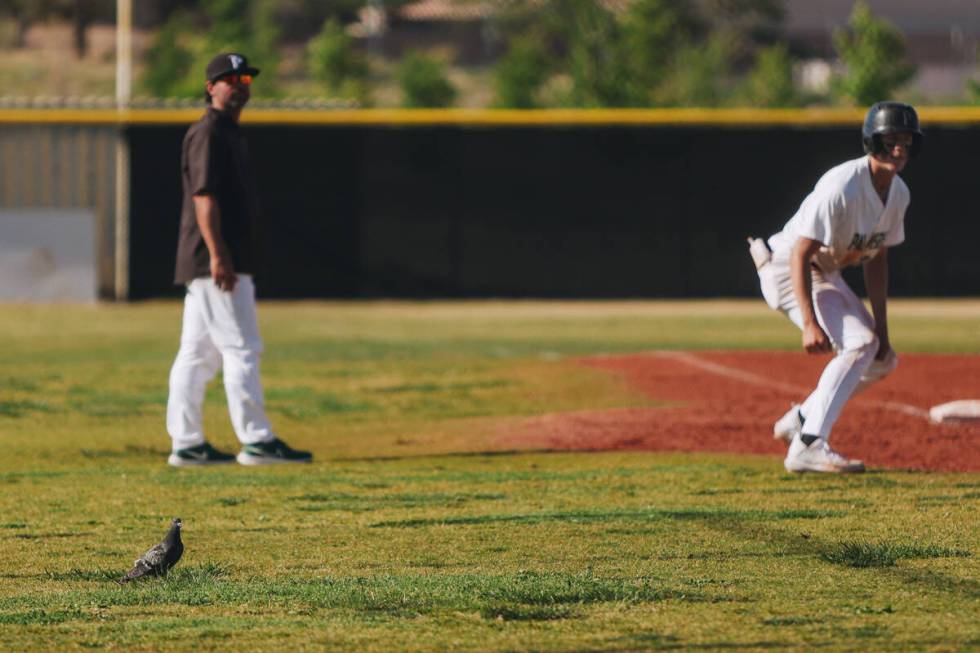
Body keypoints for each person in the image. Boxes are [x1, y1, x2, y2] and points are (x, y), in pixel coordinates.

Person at [749, 101, 922, 473]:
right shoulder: (841, 185)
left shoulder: (899, 194)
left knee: (880, 356)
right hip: (787, 267)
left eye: (906, 141)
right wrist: (810, 323)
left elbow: (877, 260)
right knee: (858, 344)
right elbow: (800, 252)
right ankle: (808, 444)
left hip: (824, 274)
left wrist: (884, 331)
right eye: (890, 140)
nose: (899, 149)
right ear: (871, 142)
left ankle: (800, 419)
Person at [165, 53, 312, 467]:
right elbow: (204, 197)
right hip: (217, 262)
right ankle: (257, 440)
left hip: (215, 260)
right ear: (210, 87)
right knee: (242, 348)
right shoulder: (210, 132)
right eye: (229, 78)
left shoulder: (227, 132)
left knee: (197, 354)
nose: (240, 84)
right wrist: (218, 255)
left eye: (245, 77)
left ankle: (187, 443)